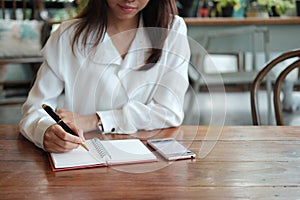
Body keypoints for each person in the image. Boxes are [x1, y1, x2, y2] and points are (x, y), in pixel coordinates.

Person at [19, 0, 190, 153]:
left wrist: (95, 120)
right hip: (82, 156)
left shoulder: (172, 30)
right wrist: (46, 132)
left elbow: (169, 112)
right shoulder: (66, 36)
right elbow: (35, 109)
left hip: (147, 159)